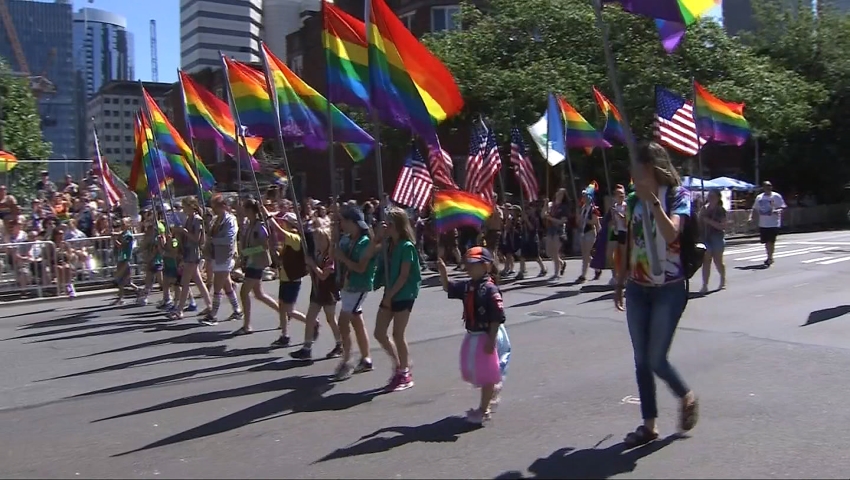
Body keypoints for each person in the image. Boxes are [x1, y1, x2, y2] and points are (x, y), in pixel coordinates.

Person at [613, 141, 699, 448]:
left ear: (651, 168)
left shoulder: (678, 196)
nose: (632, 174)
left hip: (669, 289)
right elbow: (628, 244)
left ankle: (686, 395)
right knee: (640, 360)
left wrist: (654, 203)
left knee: (656, 358)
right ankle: (649, 425)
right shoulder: (634, 201)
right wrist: (620, 281)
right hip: (638, 288)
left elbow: (671, 233)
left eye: (637, 168)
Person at [436, 247, 508, 425]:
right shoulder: (468, 286)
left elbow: (497, 317)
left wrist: (491, 340)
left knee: (487, 374)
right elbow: (448, 287)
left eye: (473, 264)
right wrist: (443, 272)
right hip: (474, 335)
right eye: (467, 264)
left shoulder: (490, 289)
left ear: (486, 266)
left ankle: (484, 409)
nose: (468, 268)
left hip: (487, 334)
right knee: (473, 369)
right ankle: (491, 393)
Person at [373, 207, 422, 392]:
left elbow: (403, 276)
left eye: (390, 224)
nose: (387, 227)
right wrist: (379, 236)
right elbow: (372, 251)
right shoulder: (388, 245)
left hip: (403, 293)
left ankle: (405, 373)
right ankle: (400, 363)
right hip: (390, 292)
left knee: (397, 334)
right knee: (379, 332)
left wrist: (389, 296)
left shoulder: (406, 246)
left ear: (398, 226)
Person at [333, 206, 377, 381]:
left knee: (343, 322)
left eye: (343, 221)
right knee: (356, 320)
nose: (342, 225)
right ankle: (366, 358)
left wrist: (342, 257)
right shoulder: (345, 239)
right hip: (346, 284)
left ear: (353, 223)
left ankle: (347, 359)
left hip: (358, 285)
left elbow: (360, 267)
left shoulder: (365, 242)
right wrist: (333, 237)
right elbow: (334, 254)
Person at [289, 225, 342, 361]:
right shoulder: (317, 254)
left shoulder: (329, 258)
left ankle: (339, 343)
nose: (318, 242)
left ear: (327, 240)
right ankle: (307, 348)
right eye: (316, 239)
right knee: (310, 318)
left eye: (321, 239)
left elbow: (324, 275)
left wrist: (312, 265)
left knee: (331, 319)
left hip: (328, 292)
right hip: (317, 290)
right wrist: (309, 265)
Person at [266, 211, 310, 346]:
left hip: (293, 279)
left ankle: (312, 322)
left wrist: (268, 216)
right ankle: (285, 335)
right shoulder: (288, 240)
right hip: (285, 277)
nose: (282, 224)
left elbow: (278, 229)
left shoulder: (295, 237)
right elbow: (283, 258)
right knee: (281, 307)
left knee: (288, 310)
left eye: (284, 222)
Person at [237, 199, 280, 335]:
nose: (243, 211)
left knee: (244, 292)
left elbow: (264, 246)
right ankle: (284, 312)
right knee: (259, 294)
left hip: (257, 263)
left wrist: (247, 252)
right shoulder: (248, 225)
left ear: (250, 210)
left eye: (245, 209)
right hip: (250, 262)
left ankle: (247, 325)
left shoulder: (260, 226)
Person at [199, 194, 243, 325]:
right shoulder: (215, 220)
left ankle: (213, 314)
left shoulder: (230, 220)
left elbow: (229, 239)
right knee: (226, 284)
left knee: (217, 287)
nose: (214, 210)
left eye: (216, 207)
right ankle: (237, 310)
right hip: (215, 256)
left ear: (224, 206)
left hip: (226, 256)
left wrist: (214, 240)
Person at [168, 196, 212, 320]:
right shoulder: (188, 219)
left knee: (185, 282)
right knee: (198, 280)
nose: (183, 210)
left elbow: (196, 239)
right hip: (188, 251)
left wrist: (184, 231)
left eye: (185, 207)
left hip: (193, 252)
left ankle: (180, 310)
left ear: (191, 207)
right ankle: (209, 304)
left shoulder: (197, 220)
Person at [749, 181, 786, 266]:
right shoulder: (759, 197)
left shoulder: (776, 196)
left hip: (773, 223)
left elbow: (783, 207)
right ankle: (769, 256)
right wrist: (751, 218)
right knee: (766, 242)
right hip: (763, 223)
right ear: (763, 187)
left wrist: (777, 211)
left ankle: (770, 257)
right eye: (766, 186)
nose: (768, 187)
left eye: (770, 185)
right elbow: (755, 208)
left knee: (771, 241)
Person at [699, 189, 727, 293]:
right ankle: (705, 285)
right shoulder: (704, 208)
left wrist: (709, 221)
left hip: (717, 237)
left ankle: (723, 279)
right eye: (709, 196)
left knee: (718, 261)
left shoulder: (721, 210)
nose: (710, 198)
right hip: (705, 237)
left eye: (713, 196)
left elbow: (722, 226)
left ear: (718, 198)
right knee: (706, 260)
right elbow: (699, 222)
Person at [577, 186, 601, 283]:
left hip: (590, 232)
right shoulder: (583, 208)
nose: (584, 198)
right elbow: (580, 221)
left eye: (586, 196)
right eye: (583, 196)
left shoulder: (593, 209)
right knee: (585, 255)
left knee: (586, 254)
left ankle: (583, 275)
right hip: (583, 232)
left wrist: (585, 220)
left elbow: (594, 221)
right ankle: (597, 269)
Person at [544, 189, 569, 280]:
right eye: (558, 192)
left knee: (555, 252)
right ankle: (561, 263)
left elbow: (562, 221)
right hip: (550, 230)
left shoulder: (564, 207)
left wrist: (550, 218)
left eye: (561, 194)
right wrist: (545, 205)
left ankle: (556, 273)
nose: (559, 194)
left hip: (558, 230)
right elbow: (543, 215)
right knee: (549, 252)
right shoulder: (551, 204)